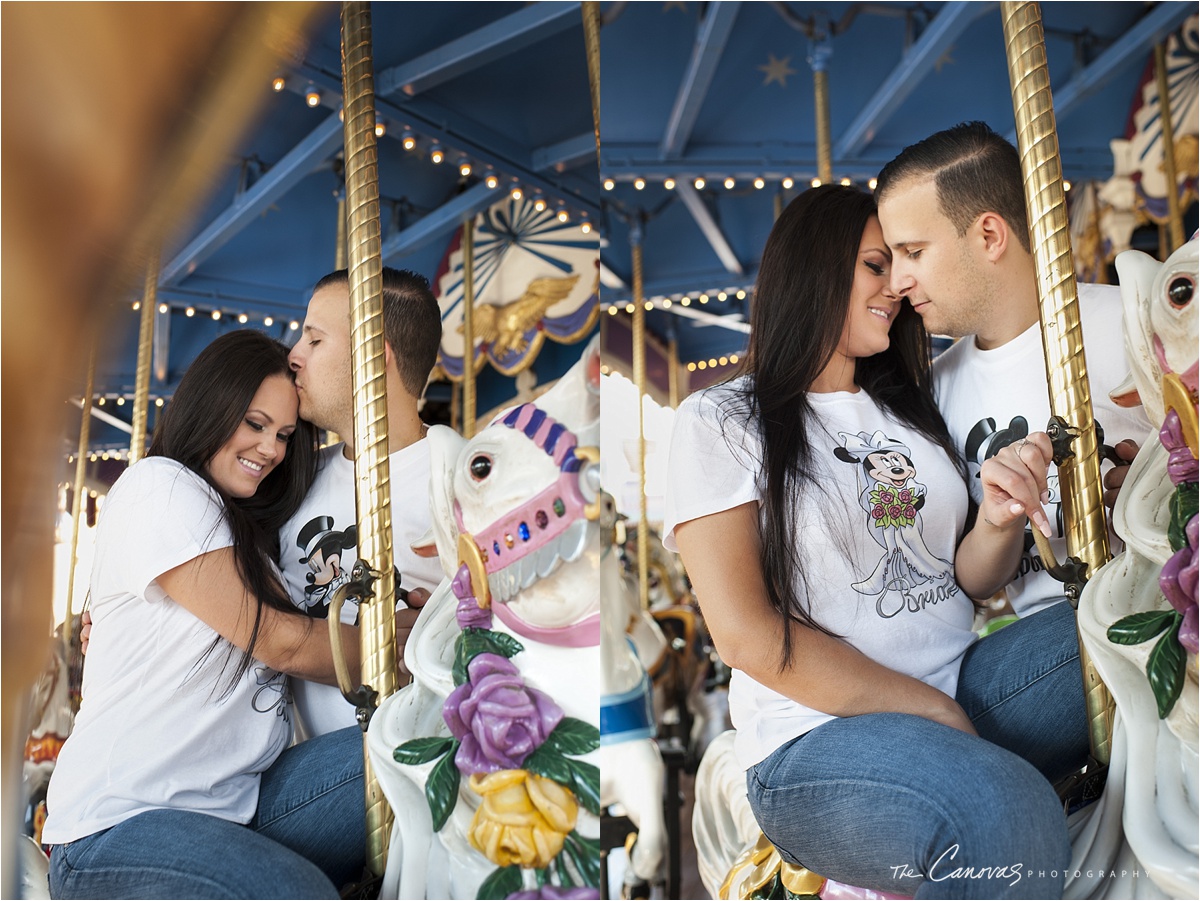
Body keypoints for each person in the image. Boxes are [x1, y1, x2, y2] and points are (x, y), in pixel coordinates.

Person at [664, 186, 1089, 898]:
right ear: (817, 268)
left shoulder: (908, 413)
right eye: (873, 264)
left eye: (896, 264)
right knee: (1004, 809)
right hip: (814, 739)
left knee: (1134, 627)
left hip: (961, 686)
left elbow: (969, 581)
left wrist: (998, 516)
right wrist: (924, 708)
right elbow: (745, 636)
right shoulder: (722, 418)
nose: (894, 285)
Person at [43, 330, 367, 899]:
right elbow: (285, 643)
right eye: (255, 423)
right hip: (118, 824)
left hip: (232, 807)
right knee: (298, 892)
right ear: (211, 406)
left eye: (286, 436)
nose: (271, 449)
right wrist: (400, 647)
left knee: (404, 748)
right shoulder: (160, 487)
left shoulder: (252, 547)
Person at [875, 121, 1152, 618]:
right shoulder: (934, 389)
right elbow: (980, 584)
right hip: (1046, 627)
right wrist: (997, 522)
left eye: (913, 252)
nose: (897, 281)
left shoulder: (1133, 321)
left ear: (989, 235)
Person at [281, 267, 446, 737]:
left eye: (314, 340)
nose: (293, 355)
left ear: (375, 355)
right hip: (311, 775)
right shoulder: (290, 479)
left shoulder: (463, 479)